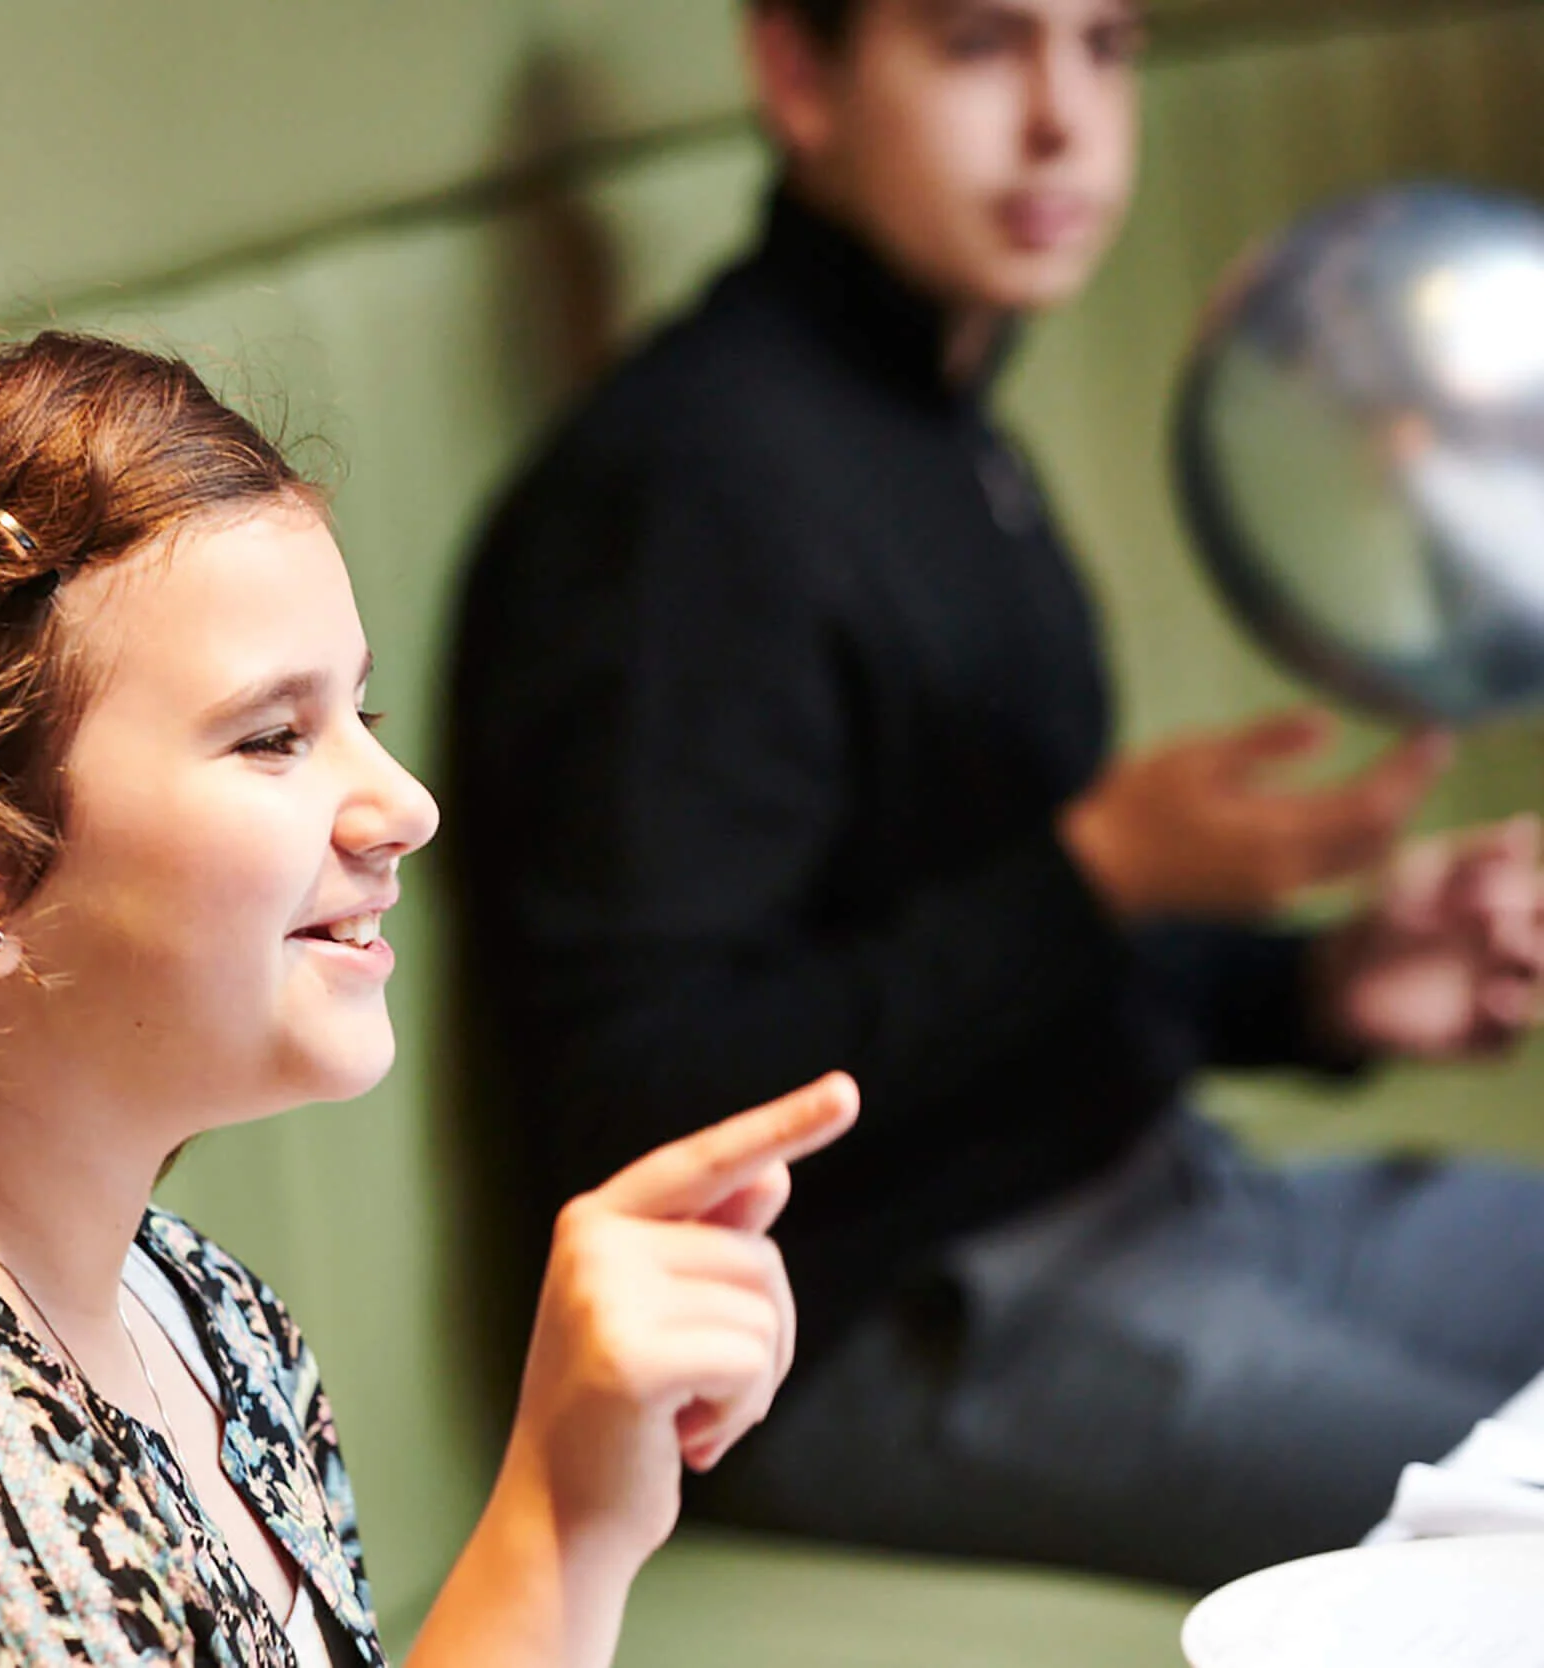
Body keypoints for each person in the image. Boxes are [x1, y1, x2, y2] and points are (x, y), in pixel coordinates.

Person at [0, 333, 860, 1667]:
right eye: (273, 736)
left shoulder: (188, 1303)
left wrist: (572, 1516)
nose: (406, 806)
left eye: (363, 716)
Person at [449, 0, 1544, 1592]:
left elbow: (963, 938)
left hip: (1166, 1198)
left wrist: (1315, 984)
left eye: (1104, 45)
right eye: (982, 44)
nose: (1062, 121)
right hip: (884, 1325)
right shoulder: (684, 493)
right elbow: (646, 1097)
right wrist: (1096, 874)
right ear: (798, 72)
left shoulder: (930, 413)